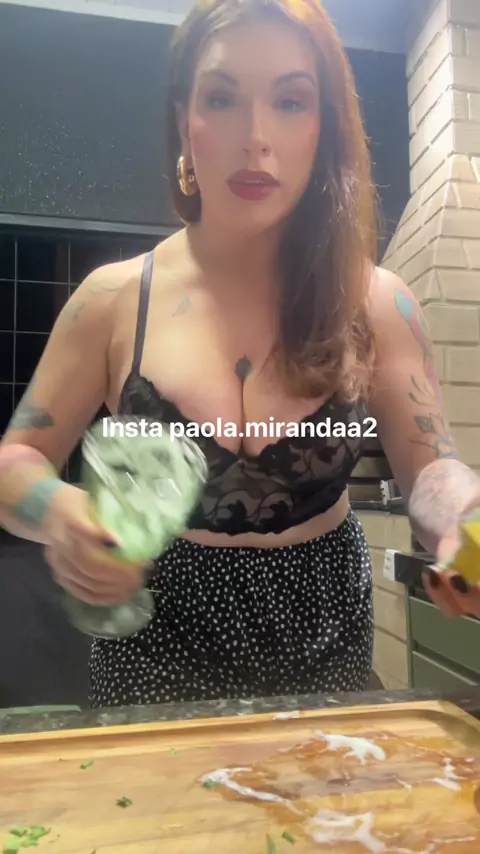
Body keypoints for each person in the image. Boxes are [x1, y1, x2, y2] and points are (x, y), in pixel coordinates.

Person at [0, 0, 479, 709]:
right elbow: (15, 460)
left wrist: (465, 518)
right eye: (222, 99)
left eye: (290, 101)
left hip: (326, 655)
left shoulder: (378, 303)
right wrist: (61, 514)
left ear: (324, 128)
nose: (255, 138)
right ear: (184, 121)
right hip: (152, 656)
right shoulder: (112, 300)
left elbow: (430, 466)